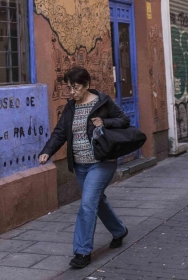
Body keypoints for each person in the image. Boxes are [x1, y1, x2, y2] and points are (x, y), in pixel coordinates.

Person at [38, 67, 130, 269]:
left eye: (75, 87)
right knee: (98, 201)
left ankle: (82, 251)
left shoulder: (103, 102)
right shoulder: (71, 107)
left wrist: (104, 122)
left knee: (87, 204)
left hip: (102, 163)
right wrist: (47, 151)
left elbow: (124, 120)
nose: (72, 92)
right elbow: (60, 133)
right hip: (80, 166)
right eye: (69, 88)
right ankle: (119, 231)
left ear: (87, 85)